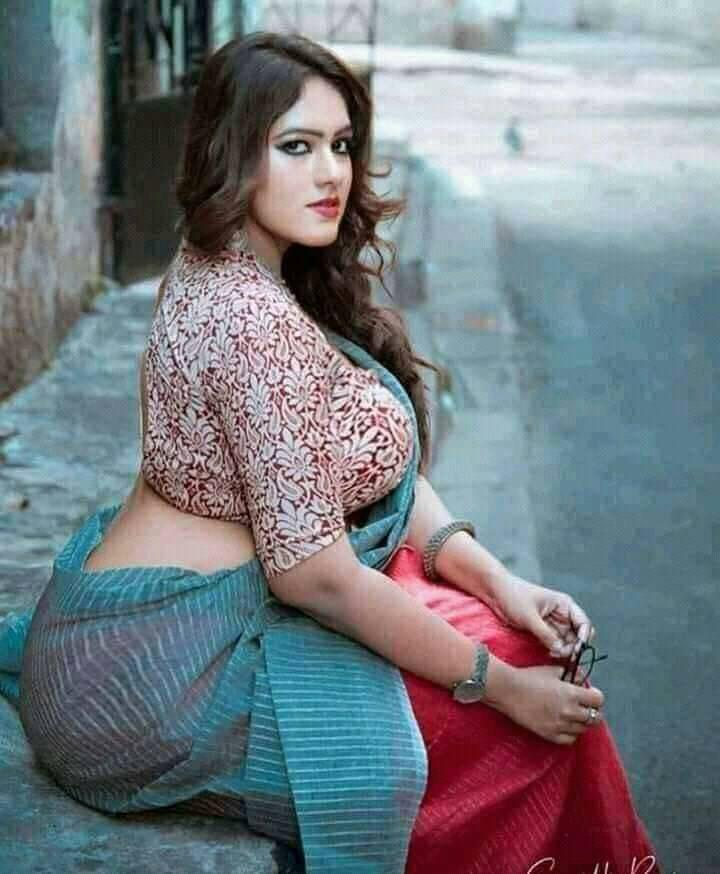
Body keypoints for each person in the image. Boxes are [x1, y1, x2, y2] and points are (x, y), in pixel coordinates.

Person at [0, 31, 659, 874]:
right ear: (234, 154)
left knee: (521, 653)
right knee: (522, 712)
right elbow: (315, 578)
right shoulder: (250, 321)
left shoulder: (237, 263)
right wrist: (500, 687)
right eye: (297, 147)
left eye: (341, 146)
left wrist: (500, 581)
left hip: (181, 626)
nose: (331, 174)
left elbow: (363, 469)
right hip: (159, 679)